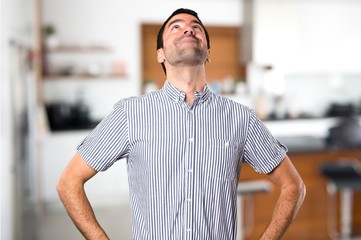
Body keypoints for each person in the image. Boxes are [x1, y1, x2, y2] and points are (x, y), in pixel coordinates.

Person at [56, 8, 306, 240]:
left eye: (195, 26)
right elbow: (69, 183)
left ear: (208, 52)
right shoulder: (130, 114)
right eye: (175, 27)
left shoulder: (241, 118)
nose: (188, 29)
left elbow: (293, 186)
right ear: (160, 54)